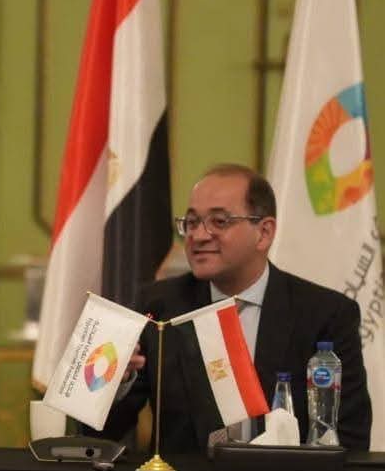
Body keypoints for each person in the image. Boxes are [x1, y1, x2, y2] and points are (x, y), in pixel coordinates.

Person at [99, 164, 372, 452]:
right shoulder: (159, 306)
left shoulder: (326, 315)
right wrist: (114, 383)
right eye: (191, 222)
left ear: (263, 233)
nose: (198, 236)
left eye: (219, 222)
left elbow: (350, 439)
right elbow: (104, 433)